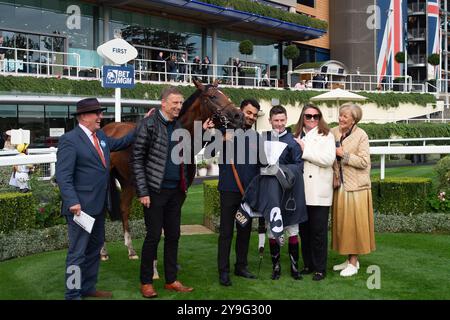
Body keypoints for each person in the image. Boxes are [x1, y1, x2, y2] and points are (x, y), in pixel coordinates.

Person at [56, 97, 137, 300]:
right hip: (79, 209)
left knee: (93, 251)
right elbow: (63, 176)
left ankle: (88, 288)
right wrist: (72, 201)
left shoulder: (100, 136)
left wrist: (142, 125)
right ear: (84, 117)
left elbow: (121, 142)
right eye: (97, 113)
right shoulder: (69, 140)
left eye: (100, 112)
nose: (101, 116)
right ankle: (72, 293)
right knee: (77, 253)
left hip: (99, 206)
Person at [133, 86, 193, 298]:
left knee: (174, 236)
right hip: (154, 192)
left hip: (175, 192)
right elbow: (137, 159)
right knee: (153, 236)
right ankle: (146, 281)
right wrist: (143, 191)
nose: (179, 106)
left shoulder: (179, 125)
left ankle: (171, 280)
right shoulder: (147, 124)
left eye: (181, 103)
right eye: (175, 103)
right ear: (164, 103)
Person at [215, 99, 262, 286]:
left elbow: (261, 164)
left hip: (248, 193)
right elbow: (208, 150)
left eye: (254, 115)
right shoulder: (224, 131)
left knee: (244, 231)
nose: (251, 117)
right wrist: (221, 139)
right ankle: (223, 271)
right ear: (240, 111)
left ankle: (241, 266)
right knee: (226, 232)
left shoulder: (257, 137)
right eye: (248, 113)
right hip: (229, 190)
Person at [330, 103, 376, 277]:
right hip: (340, 186)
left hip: (356, 188)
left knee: (354, 225)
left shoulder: (361, 135)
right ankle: (349, 260)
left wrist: (344, 155)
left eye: (345, 116)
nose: (341, 118)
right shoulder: (333, 132)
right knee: (343, 224)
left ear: (354, 119)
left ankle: (354, 262)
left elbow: (364, 162)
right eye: (340, 115)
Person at [263, 105, 306, 280]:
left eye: (282, 120)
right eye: (276, 121)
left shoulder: (292, 141)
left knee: (292, 230)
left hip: (289, 193)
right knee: (273, 231)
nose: (279, 124)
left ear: (286, 120)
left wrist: (281, 170)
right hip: (271, 193)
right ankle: (276, 267)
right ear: (270, 121)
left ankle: (294, 268)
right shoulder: (263, 139)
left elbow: (299, 166)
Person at [293, 104, 336, 281]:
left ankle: (320, 268)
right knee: (304, 231)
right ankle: (309, 264)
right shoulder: (295, 135)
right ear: (302, 117)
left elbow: (328, 159)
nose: (312, 119)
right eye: (308, 116)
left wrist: (305, 150)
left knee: (318, 232)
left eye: (316, 116)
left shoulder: (327, 135)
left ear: (320, 118)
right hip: (301, 191)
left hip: (319, 191)